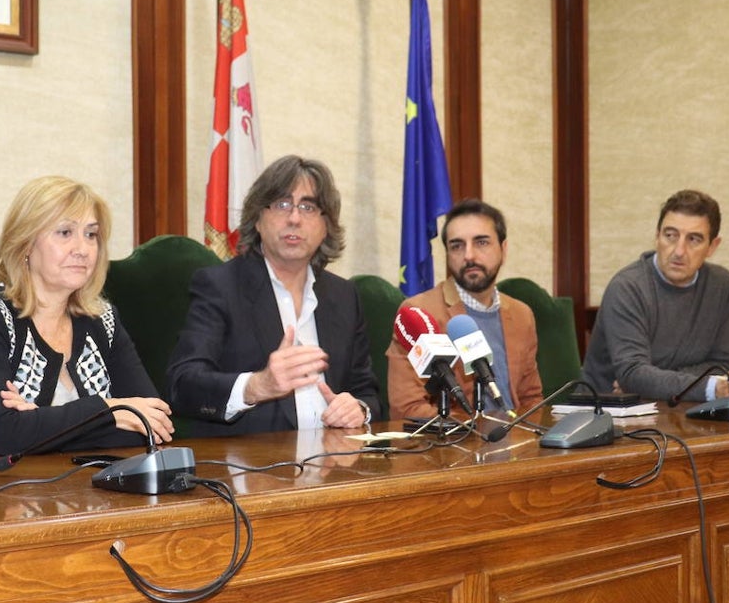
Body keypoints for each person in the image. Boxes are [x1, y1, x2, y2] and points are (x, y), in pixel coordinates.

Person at [0, 176, 172, 458]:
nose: (82, 249)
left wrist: (41, 424)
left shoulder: (103, 319)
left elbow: (154, 425)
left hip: (77, 489)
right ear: (25, 243)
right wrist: (107, 409)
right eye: (64, 233)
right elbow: (4, 436)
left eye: (91, 234)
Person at [166, 155, 380, 436]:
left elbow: (368, 393)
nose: (294, 218)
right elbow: (182, 385)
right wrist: (257, 386)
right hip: (252, 470)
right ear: (256, 219)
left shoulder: (343, 296)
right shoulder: (220, 286)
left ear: (326, 225)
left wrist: (358, 409)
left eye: (308, 207)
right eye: (281, 205)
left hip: (335, 466)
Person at [583, 189, 729, 401]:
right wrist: (708, 387)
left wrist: (653, 382)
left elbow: (727, 366)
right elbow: (632, 373)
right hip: (608, 412)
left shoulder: (721, 285)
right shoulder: (627, 287)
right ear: (657, 236)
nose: (679, 251)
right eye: (670, 235)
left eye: (694, 239)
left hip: (680, 409)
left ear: (712, 246)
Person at [387, 198, 543, 420]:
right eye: (457, 246)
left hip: (519, 444)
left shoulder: (521, 314)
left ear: (503, 249)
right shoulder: (419, 314)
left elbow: (531, 398)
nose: (469, 256)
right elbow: (407, 408)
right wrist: (476, 433)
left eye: (481, 242)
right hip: (457, 446)